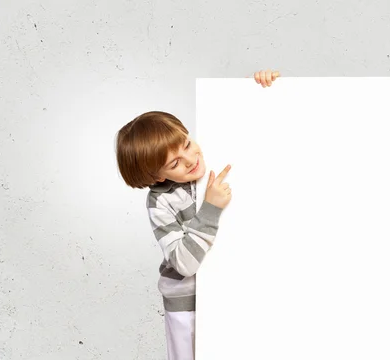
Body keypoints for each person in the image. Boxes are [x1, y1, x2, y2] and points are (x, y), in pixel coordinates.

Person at [115, 70, 280, 359]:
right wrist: (211, 208)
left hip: (235, 291)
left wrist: (256, 87)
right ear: (154, 177)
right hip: (188, 307)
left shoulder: (214, 156)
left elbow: (242, 126)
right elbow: (183, 263)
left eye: (187, 145)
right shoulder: (160, 202)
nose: (191, 160)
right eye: (175, 162)